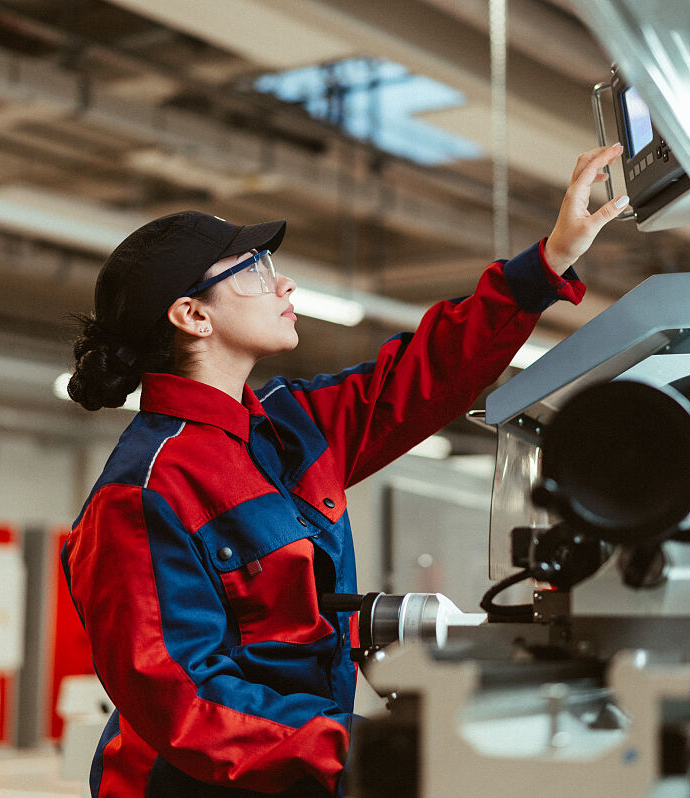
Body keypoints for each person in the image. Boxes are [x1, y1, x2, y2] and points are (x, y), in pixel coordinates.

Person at [62, 144, 628, 797]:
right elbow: (185, 703)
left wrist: (546, 262)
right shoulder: (143, 492)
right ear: (192, 316)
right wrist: (362, 750)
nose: (284, 284)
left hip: (296, 770)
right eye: (254, 271)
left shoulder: (288, 426)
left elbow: (424, 375)